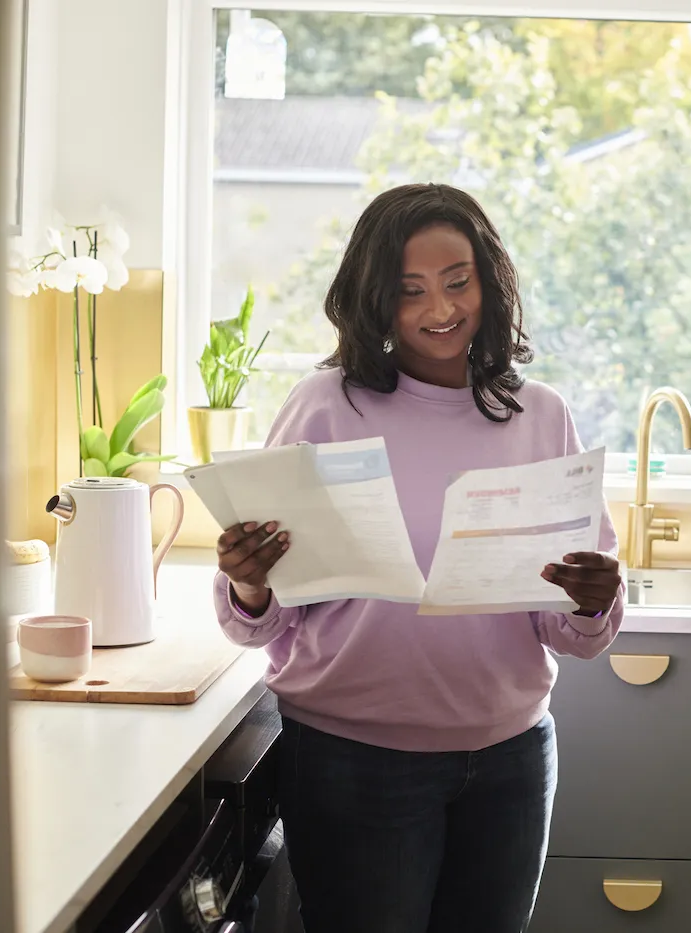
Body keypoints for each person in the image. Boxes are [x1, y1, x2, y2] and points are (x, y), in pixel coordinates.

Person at [212, 183, 625, 933]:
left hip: (510, 759)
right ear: (376, 300)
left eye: (457, 281)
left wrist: (591, 597)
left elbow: (572, 631)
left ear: (489, 283)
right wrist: (248, 581)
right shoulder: (326, 407)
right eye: (410, 291)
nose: (440, 308)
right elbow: (258, 625)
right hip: (353, 761)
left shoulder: (541, 415)